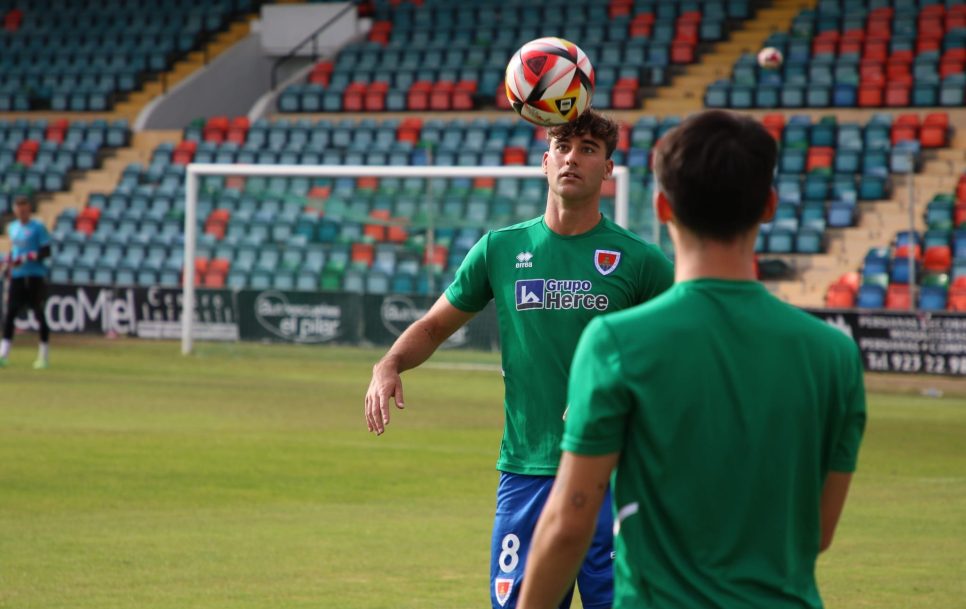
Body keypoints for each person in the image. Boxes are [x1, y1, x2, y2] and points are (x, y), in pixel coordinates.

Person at [518, 110, 867, 609]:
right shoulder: (835, 356)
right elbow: (818, 532)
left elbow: (570, 524)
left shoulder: (615, 343)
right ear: (768, 206)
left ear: (663, 207)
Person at [364, 109, 674, 609]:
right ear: (545, 161)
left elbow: (681, 352)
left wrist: (618, 393)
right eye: (564, 147)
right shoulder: (500, 249)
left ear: (608, 169)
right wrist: (389, 364)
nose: (574, 158)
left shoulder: (640, 261)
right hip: (527, 472)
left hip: (615, 477)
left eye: (589, 149)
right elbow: (433, 326)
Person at [1, 195, 52, 369]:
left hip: (35, 275)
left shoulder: (37, 227)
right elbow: (13, 250)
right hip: (17, 276)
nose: (22, 213)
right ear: (15, 211)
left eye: (24, 210)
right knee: (10, 313)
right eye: (19, 210)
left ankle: (43, 355)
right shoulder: (12, 227)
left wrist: (29, 257)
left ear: (29, 209)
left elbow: (46, 251)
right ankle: (3, 354)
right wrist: (8, 263)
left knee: (39, 313)